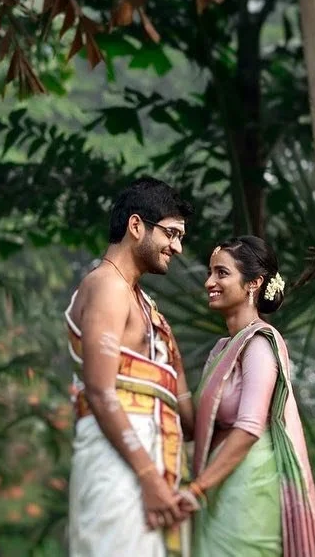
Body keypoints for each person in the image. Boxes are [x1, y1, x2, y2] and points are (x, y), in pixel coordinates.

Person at [65, 177, 196, 556]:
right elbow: (101, 391)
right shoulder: (107, 285)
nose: (178, 247)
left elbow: (185, 414)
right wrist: (148, 477)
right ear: (136, 226)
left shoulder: (144, 304)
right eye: (171, 233)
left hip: (151, 467)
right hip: (117, 467)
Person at [179, 235, 315, 557]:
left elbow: (248, 428)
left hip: (248, 489)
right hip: (217, 485)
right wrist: (174, 372)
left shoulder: (260, 343)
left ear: (254, 283)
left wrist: (197, 489)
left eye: (221, 273)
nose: (209, 282)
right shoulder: (221, 349)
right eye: (210, 272)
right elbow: (195, 427)